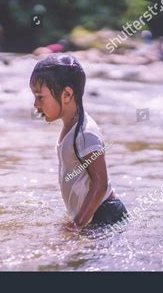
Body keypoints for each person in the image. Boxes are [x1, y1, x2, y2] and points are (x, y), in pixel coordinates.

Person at [29, 54, 127, 229]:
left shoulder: (85, 133)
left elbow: (101, 184)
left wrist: (77, 224)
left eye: (40, 97)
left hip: (105, 215)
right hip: (93, 214)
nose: (35, 105)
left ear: (67, 94)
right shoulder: (71, 128)